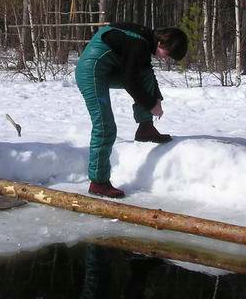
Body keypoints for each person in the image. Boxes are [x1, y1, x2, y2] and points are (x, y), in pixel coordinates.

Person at [75, 23, 188, 199]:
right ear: (161, 44)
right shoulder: (139, 43)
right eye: (168, 55)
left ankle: (145, 129)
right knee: (105, 126)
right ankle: (98, 182)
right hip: (91, 72)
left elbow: (144, 72)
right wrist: (151, 105)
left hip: (108, 69)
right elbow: (130, 81)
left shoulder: (144, 40)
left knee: (146, 75)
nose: (166, 59)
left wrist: (156, 98)